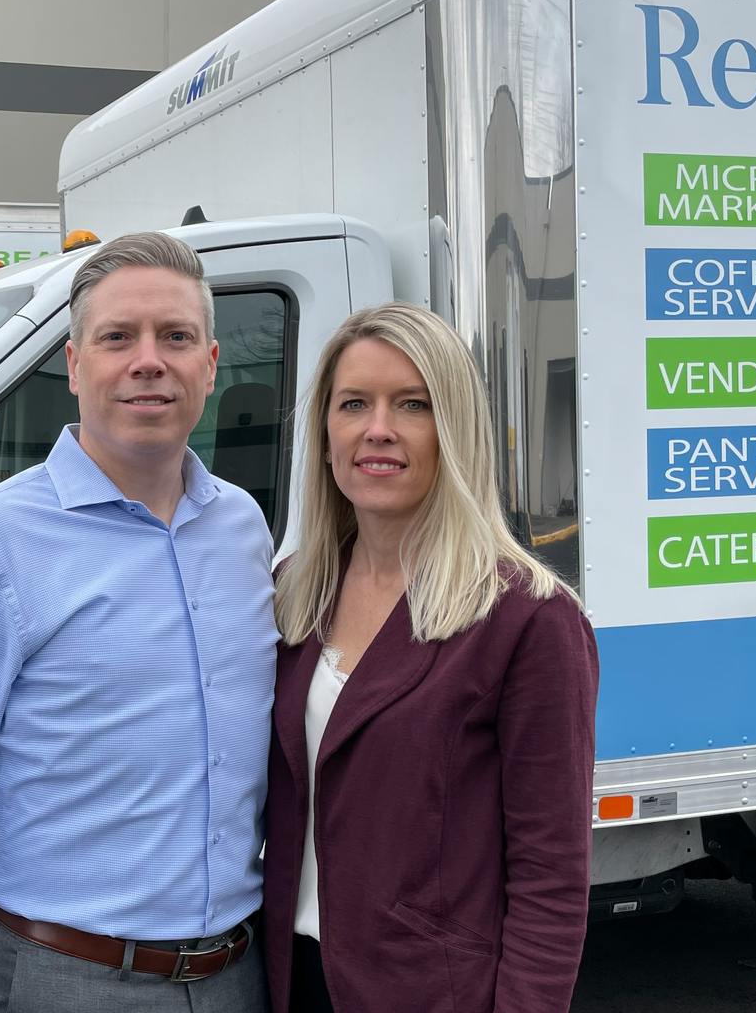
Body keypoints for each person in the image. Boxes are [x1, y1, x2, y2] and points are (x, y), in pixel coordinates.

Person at [0, 232, 280, 1013]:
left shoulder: (241, 529)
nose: (149, 360)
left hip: (240, 978)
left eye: (177, 337)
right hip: (71, 982)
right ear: (73, 364)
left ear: (211, 363)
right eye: (118, 337)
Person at [264, 304, 598, 1013]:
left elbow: (550, 876)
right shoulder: (292, 593)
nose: (377, 428)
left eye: (412, 404)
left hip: (429, 993)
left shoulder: (528, 618)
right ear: (325, 435)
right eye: (353, 403)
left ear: (455, 431)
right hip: (291, 982)